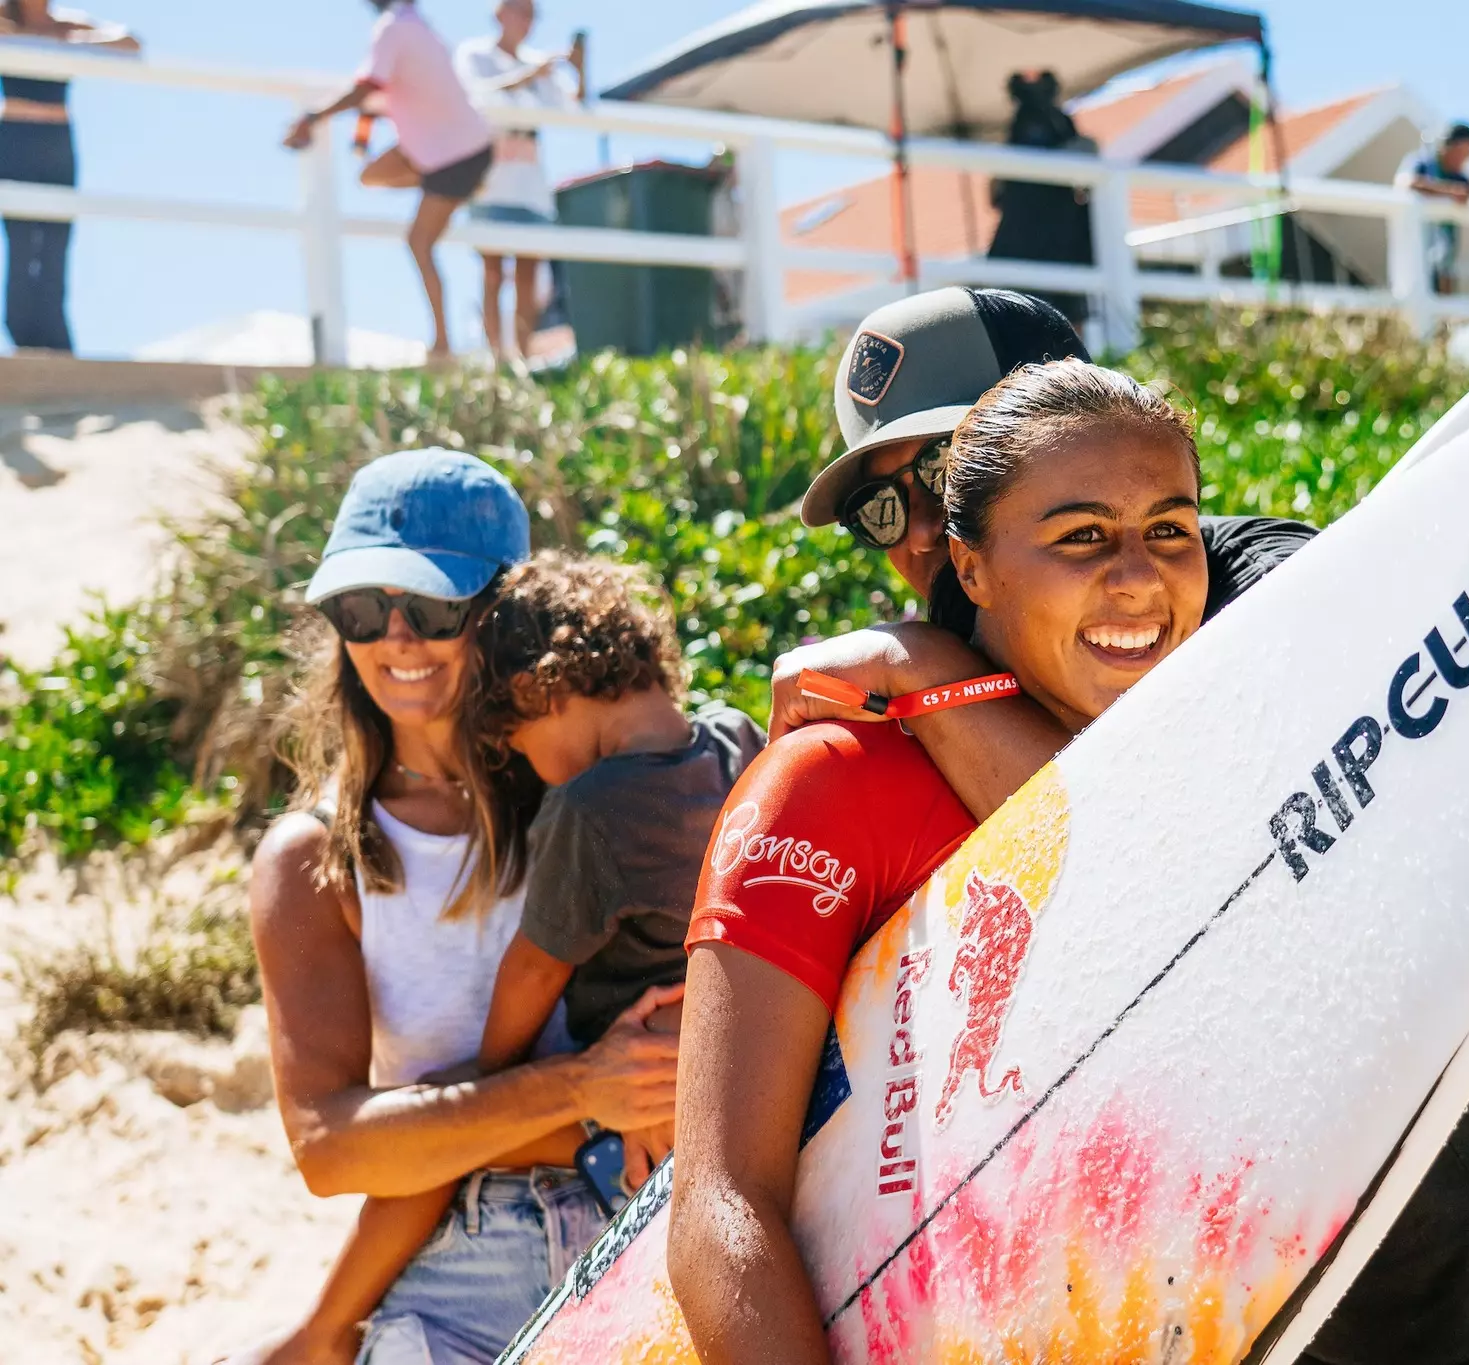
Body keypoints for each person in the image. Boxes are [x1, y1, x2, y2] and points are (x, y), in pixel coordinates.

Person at [769, 288, 1469, 1365]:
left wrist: (924, 676)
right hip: (1261, 1319)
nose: (913, 537)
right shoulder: (955, 670)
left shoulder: (1262, 583)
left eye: (939, 476)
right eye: (879, 509)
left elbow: (1202, 881)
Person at [665, 357, 1211, 1363]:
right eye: (1081, 536)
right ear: (973, 565)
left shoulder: (1234, 718)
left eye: (1170, 530)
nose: (1138, 576)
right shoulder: (830, 781)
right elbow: (720, 1200)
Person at [242, 450, 682, 1365]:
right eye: (363, 609)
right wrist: (584, 1089)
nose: (398, 638)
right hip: (468, 1247)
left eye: (435, 607)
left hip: (655, 1214)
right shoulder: (314, 859)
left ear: (504, 612)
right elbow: (331, 1148)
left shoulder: (595, 790)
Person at [285, 0, 495, 359]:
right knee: (370, 176)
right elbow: (382, 93)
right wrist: (362, 130)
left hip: (454, 155)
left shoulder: (393, 28)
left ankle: (442, 345)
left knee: (419, 242)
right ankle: (456, 184)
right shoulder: (418, 27)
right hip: (454, 149)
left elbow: (366, 86)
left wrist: (313, 117)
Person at [0, 0, 138, 353]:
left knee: (56, 244)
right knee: (21, 242)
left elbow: (130, 42)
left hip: (57, 145)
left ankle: (56, 343)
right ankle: (21, 334)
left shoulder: (67, 24)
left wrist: (72, 42)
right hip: (15, 143)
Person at [453, 1, 583, 360]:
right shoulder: (475, 54)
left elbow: (573, 105)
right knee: (492, 273)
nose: (527, 20)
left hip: (531, 186)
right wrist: (529, 75)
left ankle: (523, 358)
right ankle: (497, 359)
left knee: (529, 275)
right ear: (499, 13)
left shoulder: (539, 63)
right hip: (490, 182)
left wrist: (578, 69)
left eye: (531, 13)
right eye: (520, 10)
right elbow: (475, 96)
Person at [985, 70, 1095, 326]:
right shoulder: (1047, 123)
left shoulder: (1042, 123)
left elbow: (996, 194)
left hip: (1047, 238)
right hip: (1043, 239)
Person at [1395, 121, 1469, 296]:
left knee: (1443, 295)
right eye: (1465, 152)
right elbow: (1407, 182)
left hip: (1444, 257)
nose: (1467, 158)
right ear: (1450, 146)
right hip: (1419, 251)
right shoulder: (1423, 163)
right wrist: (1449, 192)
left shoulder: (1459, 177)